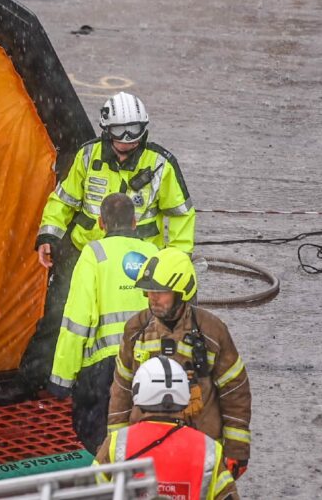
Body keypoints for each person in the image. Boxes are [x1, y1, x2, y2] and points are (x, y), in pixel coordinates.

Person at [0, 91, 195, 405]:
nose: (128, 143)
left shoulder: (160, 165)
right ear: (106, 131)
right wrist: (49, 237)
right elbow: (63, 200)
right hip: (85, 257)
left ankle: (139, 387)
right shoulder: (88, 158)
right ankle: (35, 379)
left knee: (143, 324)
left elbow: (180, 215)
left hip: (138, 263)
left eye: (135, 134)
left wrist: (175, 265)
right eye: (120, 134)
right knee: (60, 318)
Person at [107, 247, 251, 481]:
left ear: (181, 291)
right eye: (149, 291)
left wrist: (237, 449)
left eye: (160, 291)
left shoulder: (212, 332)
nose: (152, 297)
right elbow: (122, 390)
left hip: (198, 447)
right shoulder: (136, 330)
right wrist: (114, 446)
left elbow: (235, 391)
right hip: (146, 449)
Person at [47, 193, 158, 454]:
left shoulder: (94, 254)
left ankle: (111, 483)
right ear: (134, 222)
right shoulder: (153, 253)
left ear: (100, 222)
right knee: (143, 435)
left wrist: (61, 379)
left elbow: (76, 321)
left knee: (101, 439)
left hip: (103, 368)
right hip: (148, 361)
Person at [94, 356, 239, 499]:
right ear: (184, 393)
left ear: (138, 390)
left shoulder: (116, 443)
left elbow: (91, 491)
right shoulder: (209, 449)